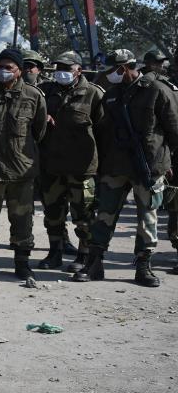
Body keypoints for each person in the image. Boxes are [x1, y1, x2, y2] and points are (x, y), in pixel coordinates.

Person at [74, 49, 178, 287]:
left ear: (123, 68)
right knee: (105, 214)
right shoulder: (112, 95)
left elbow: (175, 131)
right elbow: (103, 132)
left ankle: (144, 266)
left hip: (149, 166)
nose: (108, 76)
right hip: (116, 165)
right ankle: (94, 263)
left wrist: (169, 163)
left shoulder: (158, 90)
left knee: (148, 217)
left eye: (111, 71)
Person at [0, 48, 48, 280]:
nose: (3, 71)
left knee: (23, 221)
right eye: (0, 66)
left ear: (20, 71)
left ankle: (22, 263)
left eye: (9, 67)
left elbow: (39, 131)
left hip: (21, 171)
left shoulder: (33, 96)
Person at [36, 51, 103, 273]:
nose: (61, 73)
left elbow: (103, 131)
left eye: (66, 69)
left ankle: (84, 256)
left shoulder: (93, 94)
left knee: (83, 214)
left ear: (79, 70)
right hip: (52, 164)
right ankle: (54, 252)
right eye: (58, 69)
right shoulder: (46, 92)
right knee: (53, 213)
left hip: (81, 167)